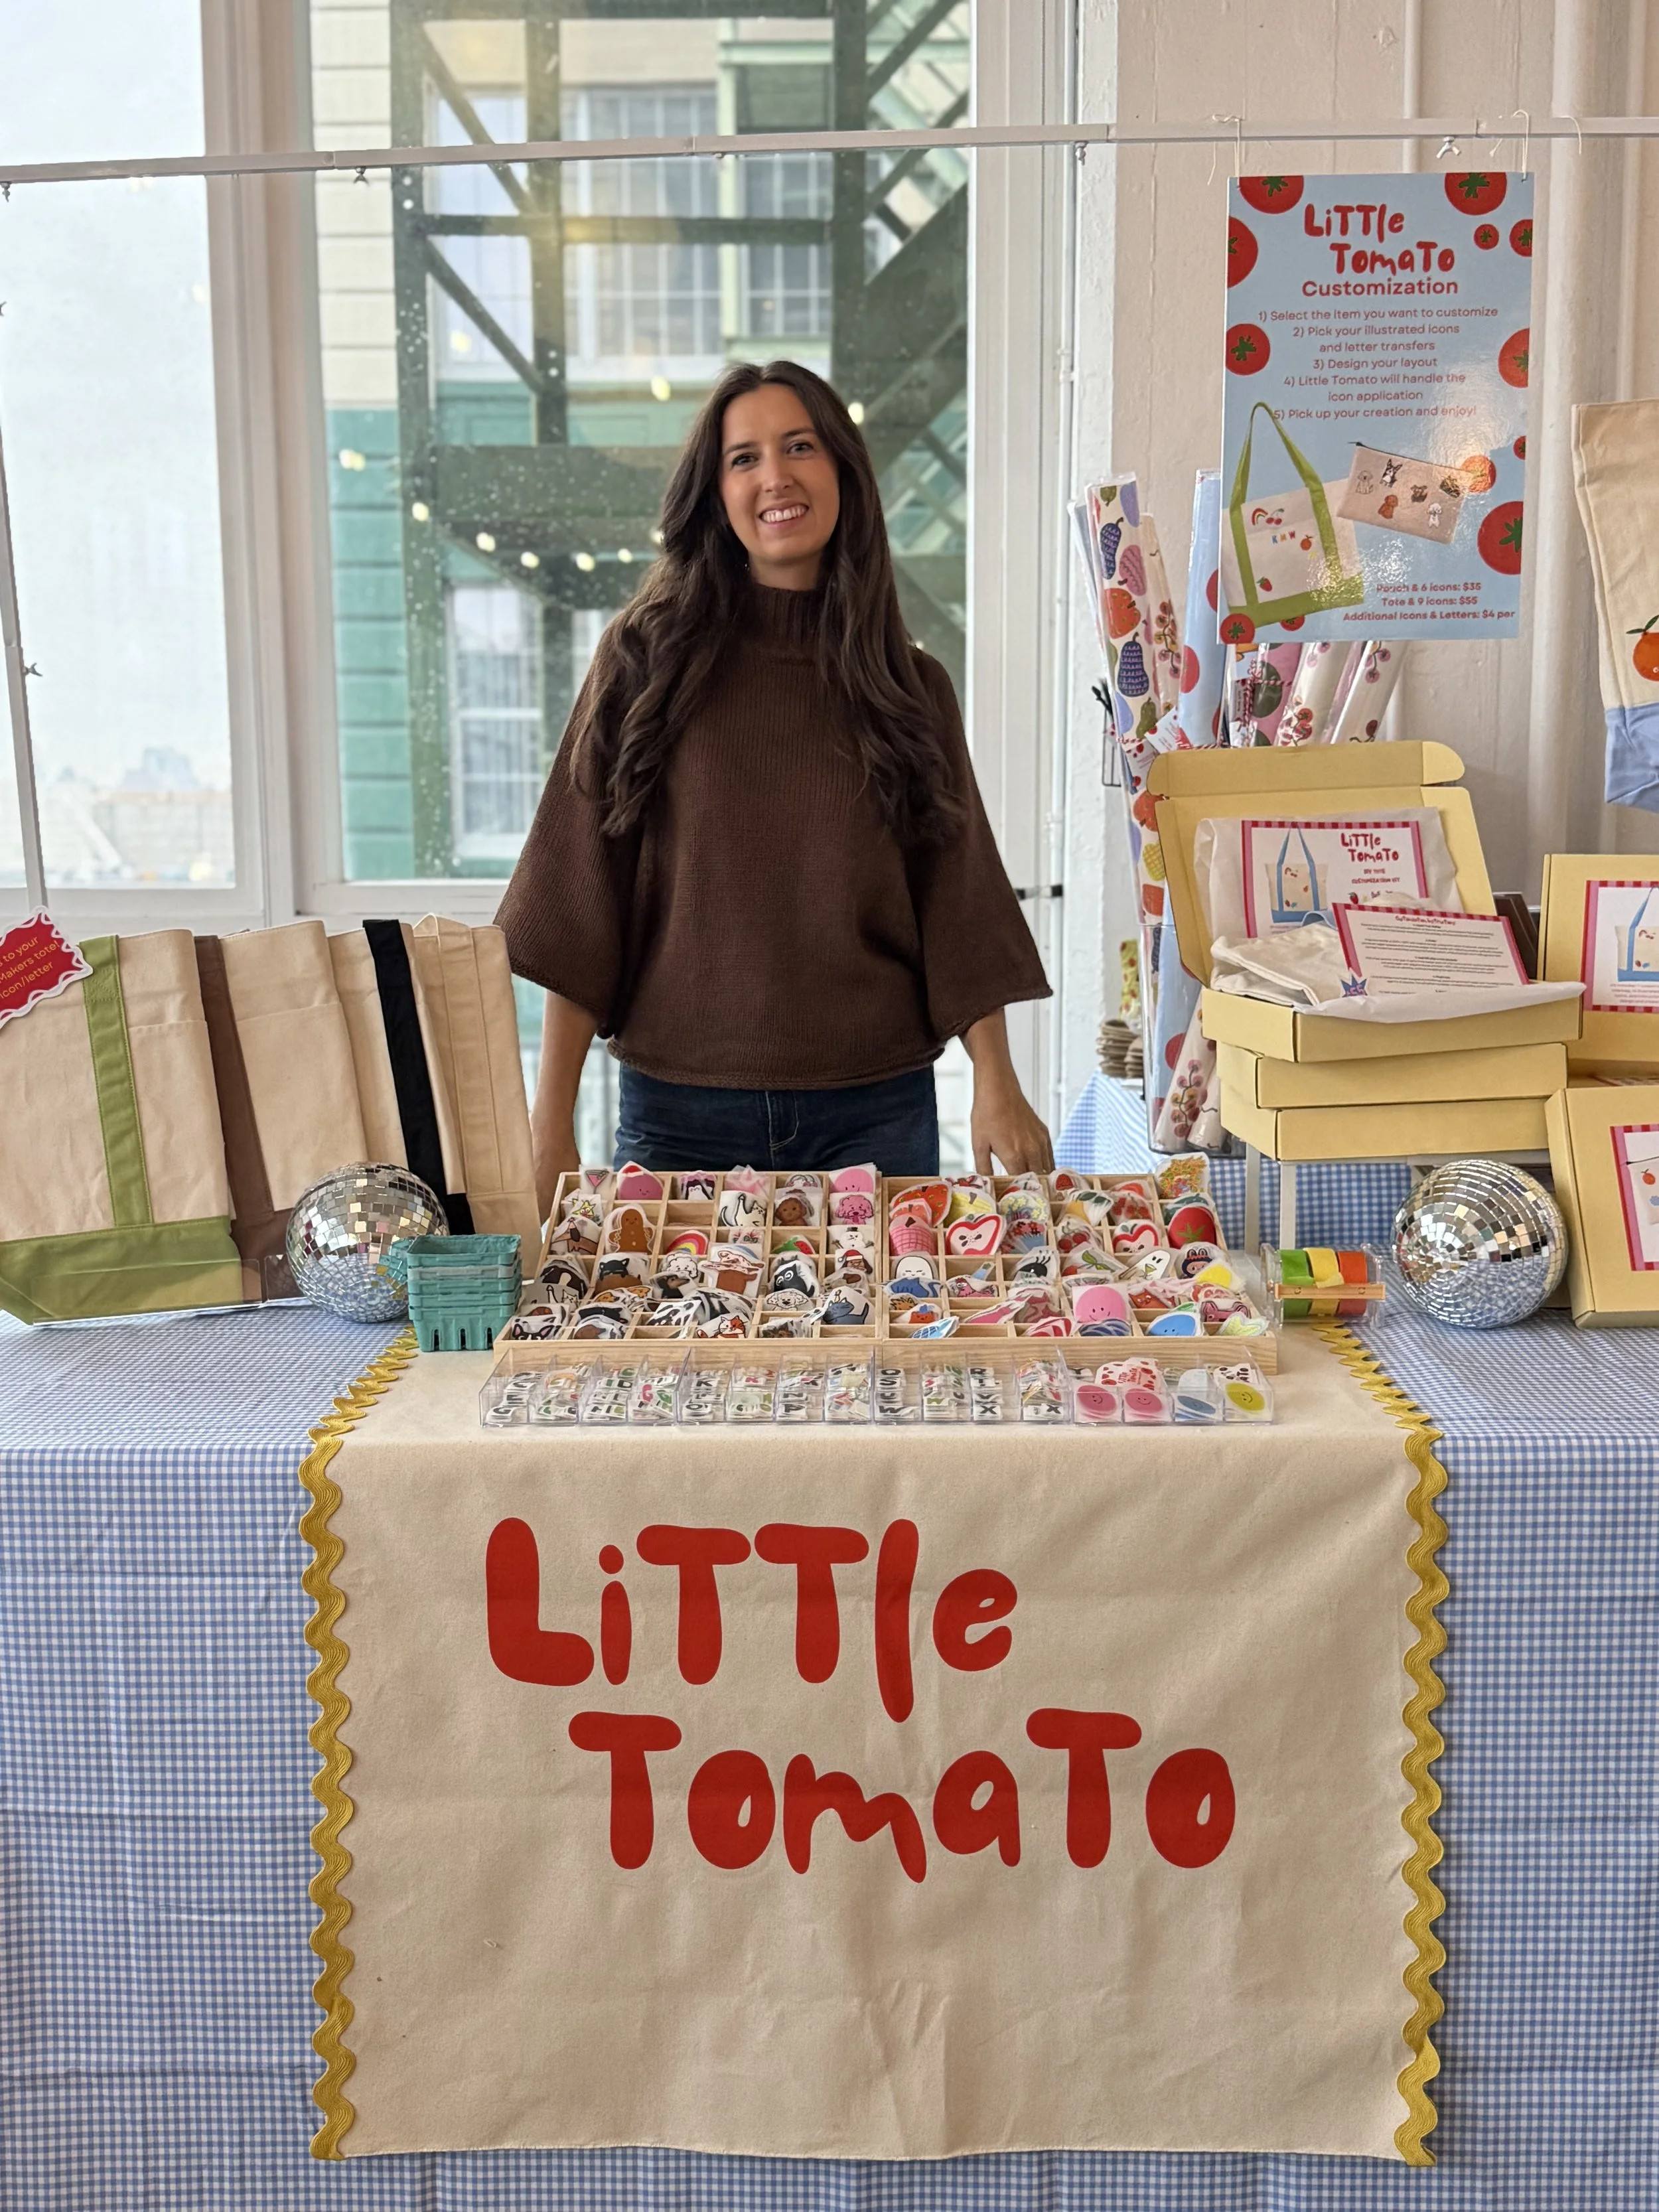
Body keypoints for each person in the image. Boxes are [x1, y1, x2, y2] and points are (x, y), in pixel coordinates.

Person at [496, 357, 1053, 1213]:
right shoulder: (642, 664)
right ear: (714, 493)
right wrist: (548, 1126)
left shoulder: (911, 686)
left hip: (878, 1113)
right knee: (668, 1351)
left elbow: (958, 899)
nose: (775, 477)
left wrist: (997, 1081)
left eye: (800, 446)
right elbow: (579, 898)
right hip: (677, 1116)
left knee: (875, 1350)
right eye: (743, 457)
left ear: (843, 472)